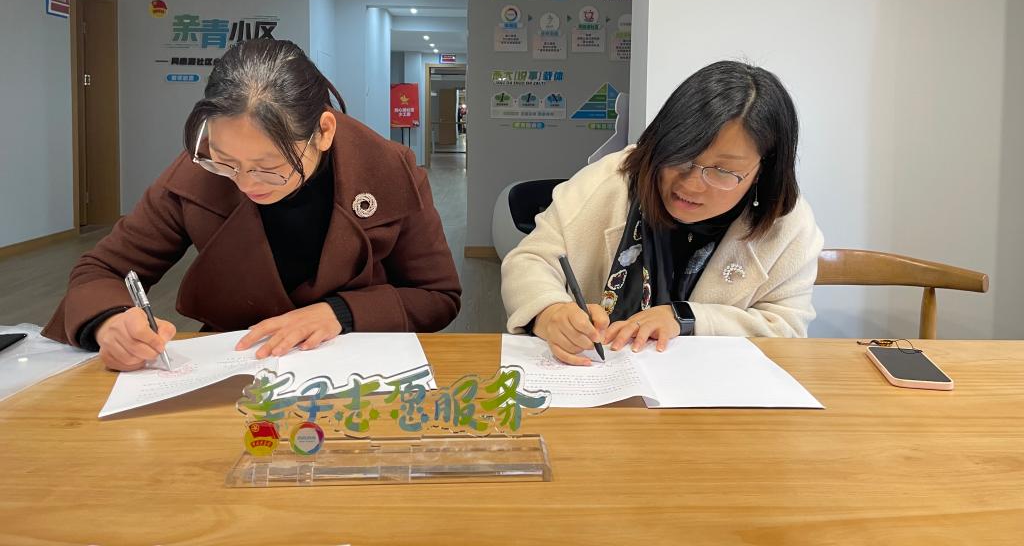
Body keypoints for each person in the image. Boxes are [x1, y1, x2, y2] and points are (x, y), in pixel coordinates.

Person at [43, 39, 461, 370]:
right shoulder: (197, 172)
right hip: (238, 364)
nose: (244, 184)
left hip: (357, 366)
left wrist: (341, 313)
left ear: (324, 131)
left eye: (269, 167)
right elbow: (102, 270)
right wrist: (110, 321)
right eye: (226, 162)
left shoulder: (389, 169)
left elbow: (437, 295)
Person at [501, 61, 823, 365]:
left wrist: (687, 318)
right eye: (681, 157)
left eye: (723, 171)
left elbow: (787, 329)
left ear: (763, 170)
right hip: (599, 379)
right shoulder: (612, 180)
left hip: (713, 394)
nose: (692, 185)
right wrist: (550, 311)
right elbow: (530, 259)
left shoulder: (787, 225)